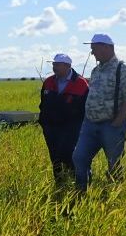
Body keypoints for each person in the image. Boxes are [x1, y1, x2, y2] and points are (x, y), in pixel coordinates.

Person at [72, 34, 126, 191]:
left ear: (107, 47)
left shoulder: (122, 69)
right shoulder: (96, 70)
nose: (92, 53)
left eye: (94, 48)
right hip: (90, 125)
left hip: (111, 126)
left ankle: (115, 195)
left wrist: (117, 122)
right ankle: (81, 192)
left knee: (114, 163)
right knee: (79, 158)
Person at [38, 53, 89, 185]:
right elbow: (43, 104)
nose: (54, 67)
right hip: (50, 127)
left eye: (58, 65)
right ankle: (59, 183)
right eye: (54, 64)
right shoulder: (49, 82)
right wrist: (43, 122)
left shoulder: (81, 83)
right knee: (54, 156)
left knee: (68, 154)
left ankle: (78, 181)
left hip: (71, 128)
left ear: (68, 66)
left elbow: (86, 108)